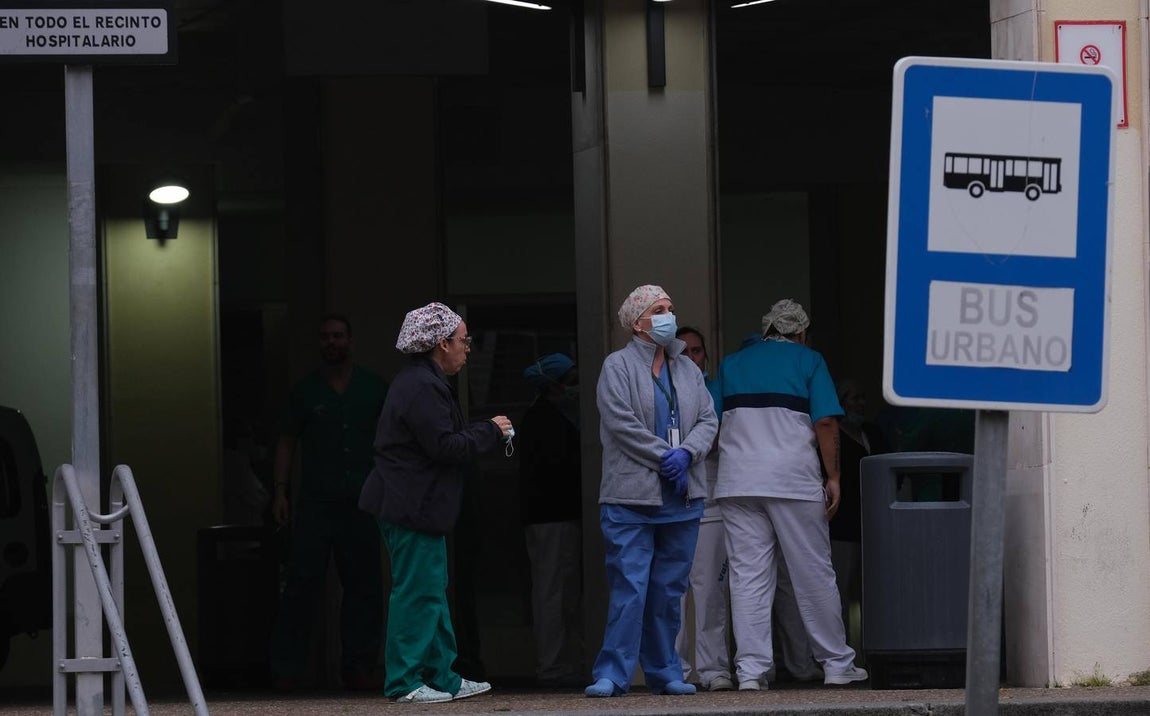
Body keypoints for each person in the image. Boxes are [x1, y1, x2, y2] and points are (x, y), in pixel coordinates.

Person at [358, 302, 513, 704]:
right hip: (411, 505)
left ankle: (443, 676)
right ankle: (405, 681)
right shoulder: (421, 386)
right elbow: (444, 446)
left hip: (418, 506)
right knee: (417, 593)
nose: (467, 348)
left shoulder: (420, 382)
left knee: (432, 591)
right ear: (442, 343)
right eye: (463, 340)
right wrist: (490, 431)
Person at [713, 298, 867, 690]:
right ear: (801, 333)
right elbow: (826, 422)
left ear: (767, 329)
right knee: (813, 571)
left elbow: (709, 421)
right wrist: (834, 476)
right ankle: (836, 663)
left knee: (748, 577)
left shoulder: (732, 364)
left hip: (738, 482)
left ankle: (751, 672)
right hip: (792, 481)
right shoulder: (808, 361)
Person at [585, 285, 719, 698]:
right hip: (631, 498)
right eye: (658, 309)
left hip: (681, 498)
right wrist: (666, 457)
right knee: (630, 588)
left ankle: (665, 671)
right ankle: (613, 673)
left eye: (670, 308)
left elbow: (708, 420)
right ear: (636, 322)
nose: (667, 316)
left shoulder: (688, 369)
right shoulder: (617, 366)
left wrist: (688, 453)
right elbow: (621, 423)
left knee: (668, 591)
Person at [269, 314, 388, 692]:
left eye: (337, 336)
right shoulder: (306, 391)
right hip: (316, 502)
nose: (331, 342)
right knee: (301, 584)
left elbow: (392, 440)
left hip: (363, 502)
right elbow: (287, 441)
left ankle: (359, 666)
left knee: (364, 586)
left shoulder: (373, 388)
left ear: (350, 341)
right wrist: (280, 491)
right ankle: (288, 668)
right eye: (325, 337)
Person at [671, 327, 733, 692]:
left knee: (710, 592)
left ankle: (713, 669)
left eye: (697, 351)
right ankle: (673, 671)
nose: (692, 358)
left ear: (706, 356)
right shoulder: (660, 388)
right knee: (672, 593)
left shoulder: (715, 390)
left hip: (710, 503)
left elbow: (719, 438)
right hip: (670, 504)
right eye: (685, 351)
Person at [519, 353, 585, 687]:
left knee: (561, 591)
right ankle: (552, 666)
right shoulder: (543, 420)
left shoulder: (550, 416)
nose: (576, 387)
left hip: (555, 516)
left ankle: (562, 662)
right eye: (571, 380)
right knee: (552, 592)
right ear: (554, 386)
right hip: (550, 516)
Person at [830, 379, 890, 651]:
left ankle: (875, 650)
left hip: (875, 523)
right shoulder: (832, 435)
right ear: (840, 402)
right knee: (839, 590)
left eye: (863, 397)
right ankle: (840, 650)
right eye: (854, 398)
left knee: (876, 591)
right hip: (842, 526)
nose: (860, 403)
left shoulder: (872, 433)